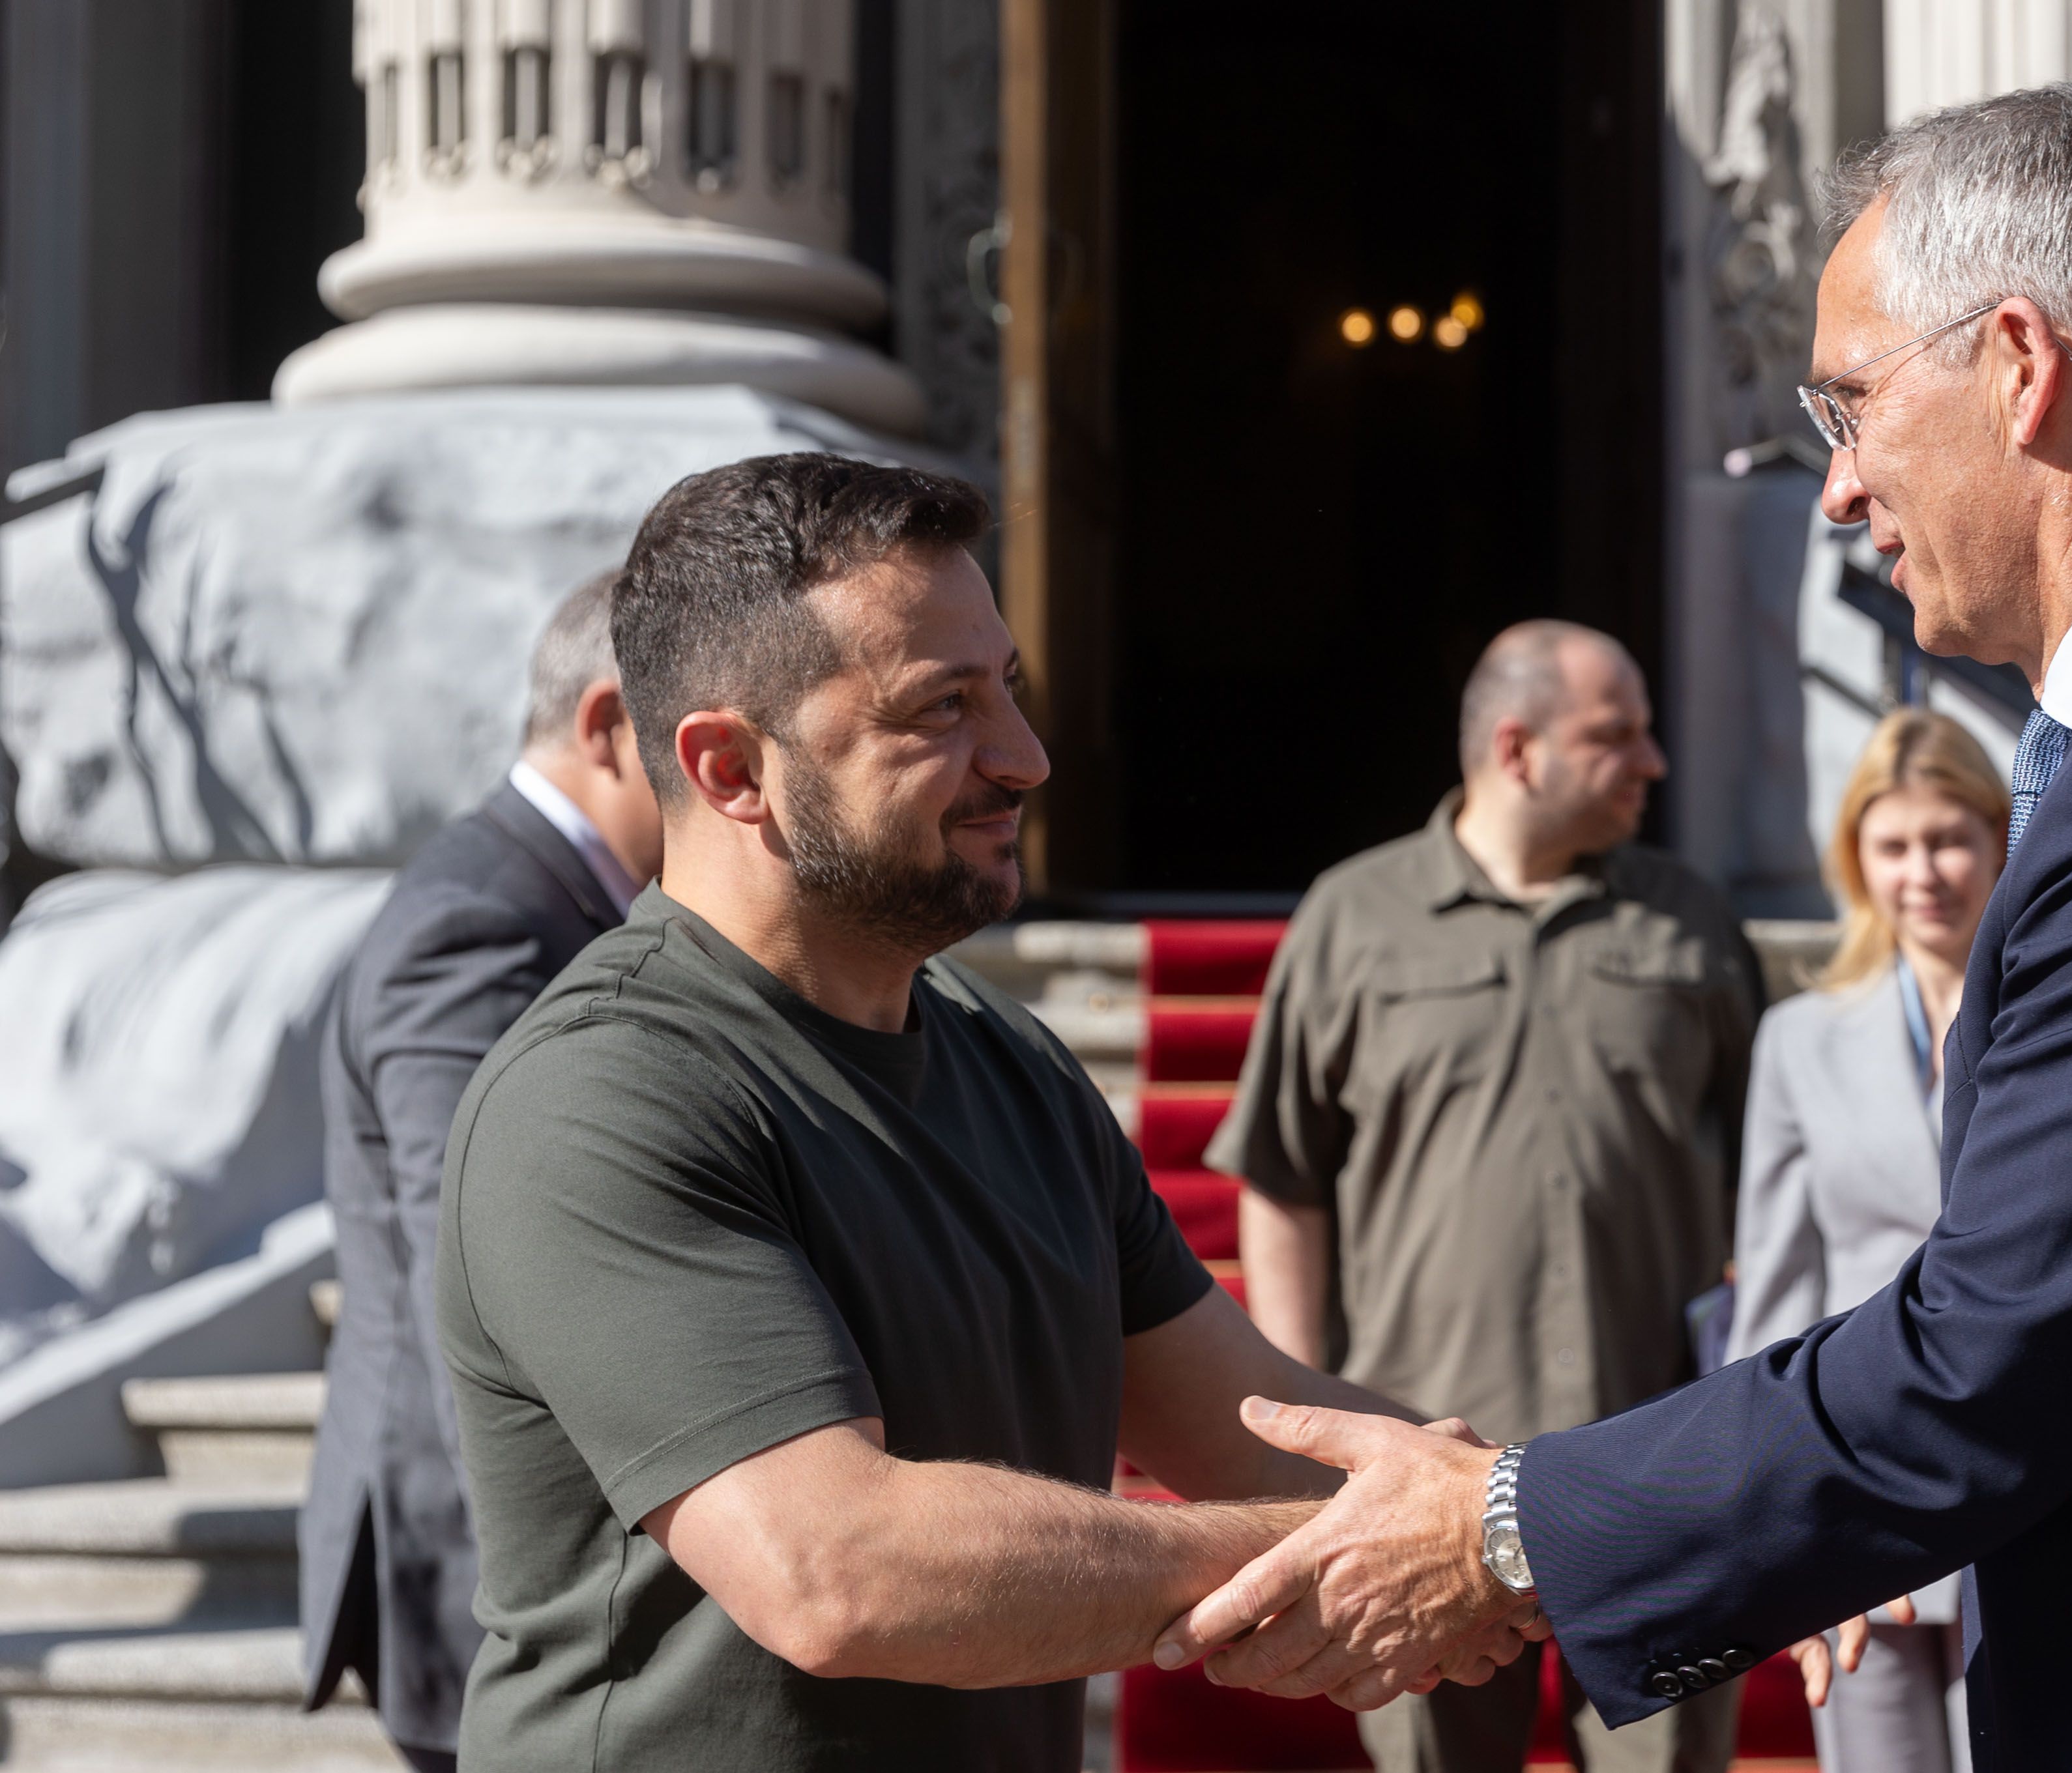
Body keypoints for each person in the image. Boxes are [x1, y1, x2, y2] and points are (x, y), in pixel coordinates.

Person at [1152, 85, 2072, 1769]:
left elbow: (1983, 1361)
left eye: (1850, 406)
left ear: (2020, 364)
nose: (1837, 489)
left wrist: (1506, 1527)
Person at [431, 456, 1534, 1773]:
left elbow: (1249, 1416)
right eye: (937, 708)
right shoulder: (602, 1094)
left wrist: (1544, 1521)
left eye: (1005, 686)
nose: (1021, 755)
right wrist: (1413, 1543)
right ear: (730, 767)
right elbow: (839, 1572)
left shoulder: (1009, 1063)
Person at [1213, 618, 1764, 1773]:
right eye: (1618, 737)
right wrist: (1311, 1421)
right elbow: (1282, 1175)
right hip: (1422, 1460)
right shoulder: (1353, 916)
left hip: (1656, 1459)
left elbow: (1771, 1176)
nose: (1655, 764)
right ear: (1517, 751)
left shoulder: (1693, 922)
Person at [299, 570, 664, 1772]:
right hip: (481, 1561)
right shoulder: (483, 919)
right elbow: (485, 1261)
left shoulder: (549, 897)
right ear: (610, 726)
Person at [1730, 708, 2007, 1773]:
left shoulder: (2062, 1014)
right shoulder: (1799, 1038)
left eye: (1946, 839)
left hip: (2030, 1488)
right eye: (1892, 846)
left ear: (1995, 839)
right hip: (1862, 1502)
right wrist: (1783, 1526)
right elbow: (1773, 1302)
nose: (1922, 873)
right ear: (1857, 859)